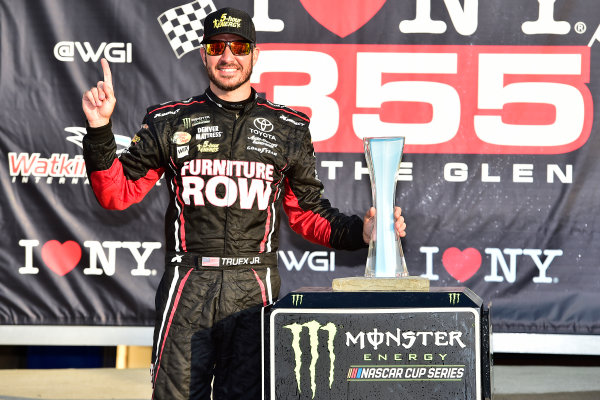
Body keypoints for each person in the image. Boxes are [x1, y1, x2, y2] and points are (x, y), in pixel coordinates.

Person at [81, 7, 406, 400]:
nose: (227, 56)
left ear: (255, 54)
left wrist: (364, 232)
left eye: (238, 46)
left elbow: (307, 213)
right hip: (188, 284)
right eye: (217, 47)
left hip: (255, 286)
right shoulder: (169, 121)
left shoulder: (289, 127)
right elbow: (116, 193)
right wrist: (99, 130)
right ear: (203, 55)